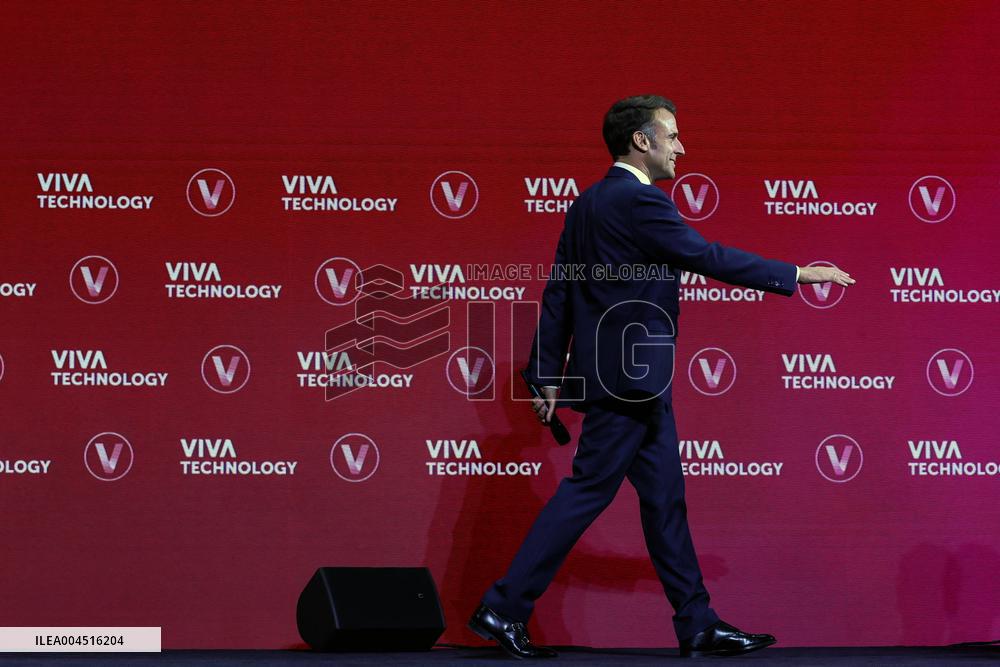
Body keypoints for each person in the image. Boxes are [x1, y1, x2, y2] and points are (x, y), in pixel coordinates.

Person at [467, 95, 856, 659]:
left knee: (665, 500)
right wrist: (796, 273)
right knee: (587, 490)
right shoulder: (641, 201)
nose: (682, 146)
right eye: (672, 135)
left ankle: (696, 621)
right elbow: (706, 255)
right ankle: (503, 607)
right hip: (632, 377)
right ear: (641, 142)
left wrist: (546, 372)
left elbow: (559, 292)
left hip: (630, 378)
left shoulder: (586, 204)